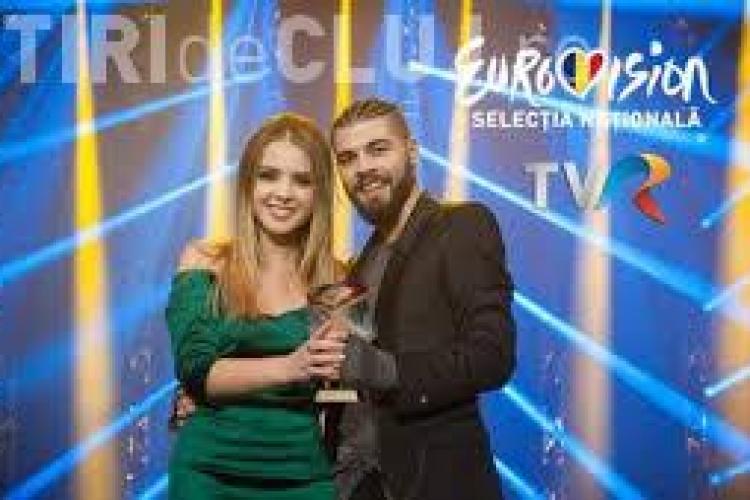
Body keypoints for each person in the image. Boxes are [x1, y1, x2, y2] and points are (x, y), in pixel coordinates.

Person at [328, 97, 517, 500]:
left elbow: (493, 355)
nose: (363, 168)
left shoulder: (461, 226)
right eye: (347, 158)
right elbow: (356, 383)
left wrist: (388, 370)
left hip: (437, 484)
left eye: (378, 149)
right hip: (358, 485)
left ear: (412, 152)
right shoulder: (361, 263)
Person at [165, 113, 347, 500]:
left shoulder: (338, 278)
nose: (283, 192)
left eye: (302, 180)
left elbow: (348, 383)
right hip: (208, 473)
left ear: (320, 193)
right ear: (248, 183)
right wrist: (292, 367)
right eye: (268, 176)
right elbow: (195, 369)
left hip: (304, 474)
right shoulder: (205, 262)